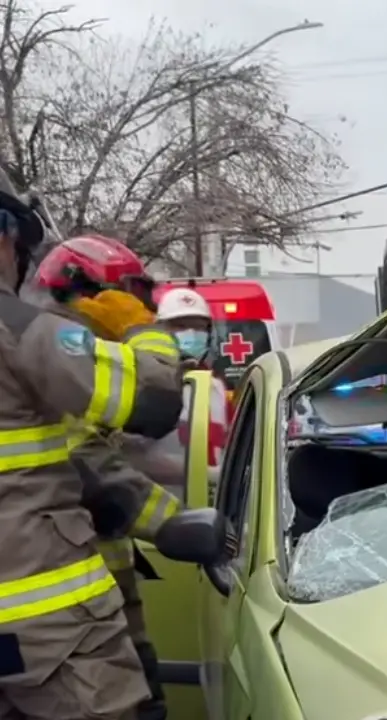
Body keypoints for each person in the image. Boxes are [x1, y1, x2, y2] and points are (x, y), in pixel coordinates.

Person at [0, 177, 184, 718]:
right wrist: (143, 328)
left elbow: (88, 469)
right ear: (5, 238)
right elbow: (154, 402)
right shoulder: (24, 333)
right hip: (52, 633)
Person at [154, 286, 229, 472]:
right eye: (180, 326)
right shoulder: (148, 383)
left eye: (199, 326)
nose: (191, 333)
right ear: (160, 330)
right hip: (168, 495)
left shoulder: (216, 387)